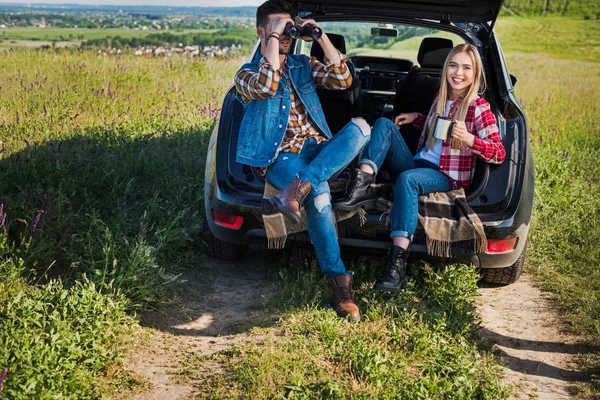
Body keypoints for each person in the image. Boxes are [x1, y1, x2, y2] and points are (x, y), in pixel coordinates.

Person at [234, 0, 371, 321]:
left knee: (362, 127)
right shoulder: (246, 73)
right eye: (278, 30)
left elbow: (342, 79)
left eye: (288, 29)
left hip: (318, 149)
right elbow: (267, 86)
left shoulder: (302, 63)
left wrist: (319, 36)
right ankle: (340, 286)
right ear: (261, 32)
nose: (285, 36)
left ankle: (296, 192)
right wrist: (272, 41)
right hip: (281, 157)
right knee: (320, 197)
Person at [334, 43, 506, 292]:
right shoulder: (442, 97)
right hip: (419, 163)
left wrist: (470, 139)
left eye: (466, 68)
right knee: (383, 124)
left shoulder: (480, 107)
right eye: (454, 66)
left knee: (408, 180)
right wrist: (417, 118)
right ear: (446, 68)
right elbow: (437, 133)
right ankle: (360, 186)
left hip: (445, 175)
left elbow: (499, 152)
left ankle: (396, 266)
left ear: (475, 73)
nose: (459, 73)